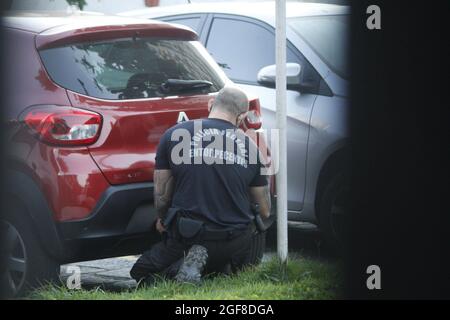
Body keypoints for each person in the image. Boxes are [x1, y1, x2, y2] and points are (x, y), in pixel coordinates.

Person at [129, 86, 271, 285]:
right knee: (254, 222)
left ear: (210, 104)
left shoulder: (175, 134)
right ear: (241, 117)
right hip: (234, 239)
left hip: (189, 234)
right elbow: (264, 210)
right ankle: (222, 267)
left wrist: (162, 220)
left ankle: (183, 268)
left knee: (140, 271)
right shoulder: (253, 147)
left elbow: (162, 196)